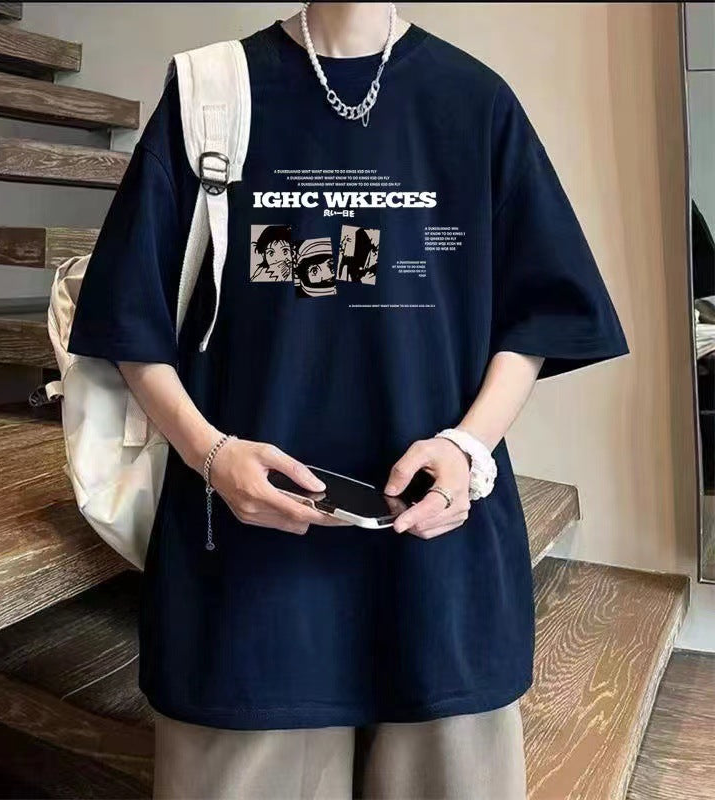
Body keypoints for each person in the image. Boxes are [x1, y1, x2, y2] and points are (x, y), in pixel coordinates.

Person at [66, 3, 629, 798]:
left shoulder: (475, 101)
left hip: (436, 556)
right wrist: (211, 454)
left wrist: (468, 446)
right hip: (250, 569)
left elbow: (537, 315)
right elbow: (132, 320)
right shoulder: (210, 91)